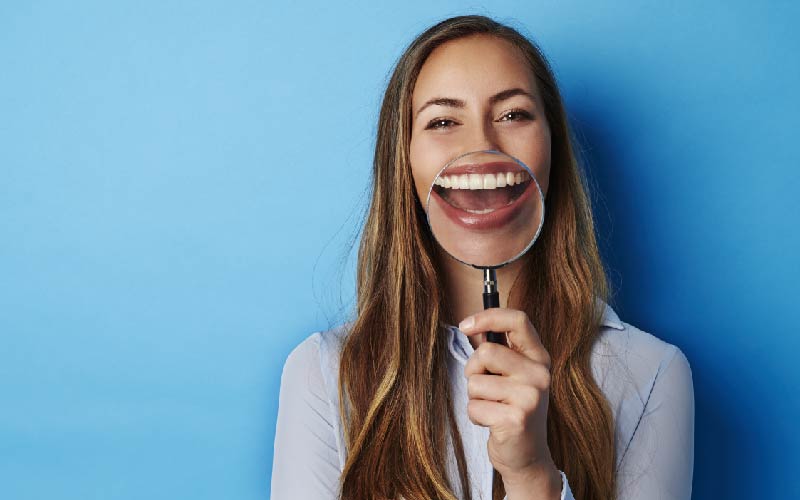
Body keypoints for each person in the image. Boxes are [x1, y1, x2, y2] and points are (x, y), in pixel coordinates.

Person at [270, 14, 694, 500]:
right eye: (444, 121)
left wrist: (533, 475)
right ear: (403, 160)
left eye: (513, 115)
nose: (481, 148)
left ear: (551, 147)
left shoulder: (652, 372)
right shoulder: (324, 373)